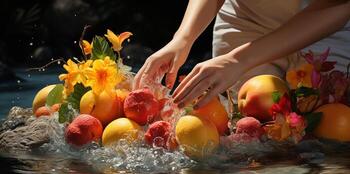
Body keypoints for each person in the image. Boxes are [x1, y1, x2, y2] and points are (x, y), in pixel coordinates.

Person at [134, 0, 350, 109]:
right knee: (253, 147)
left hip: (325, 31)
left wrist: (237, 60)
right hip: (247, 23)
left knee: (326, 144)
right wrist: (182, 38)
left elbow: (339, 4)